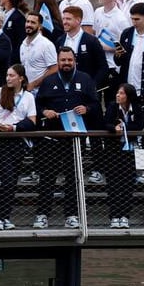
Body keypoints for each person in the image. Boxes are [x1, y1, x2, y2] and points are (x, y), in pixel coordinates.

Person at [33, 47, 100, 229]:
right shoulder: (49, 81)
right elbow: (38, 104)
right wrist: (45, 111)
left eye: (69, 60)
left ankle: (71, 215)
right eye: (63, 60)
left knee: (72, 178)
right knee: (47, 178)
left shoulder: (85, 79)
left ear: (74, 60)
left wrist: (87, 109)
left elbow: (95, 103)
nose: (66, 63)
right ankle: (42, 215)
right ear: (58, 61)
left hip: (74, 139)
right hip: (52, 139)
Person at [0, 65, 37, 230]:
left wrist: (13, 127)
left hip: (17, 140)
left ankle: (5, 216)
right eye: (7, 75)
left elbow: (32, 121)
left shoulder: (28, 97)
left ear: (21, 78)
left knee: (13, 180)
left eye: (12, 75)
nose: (8, 78)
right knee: (7, 178)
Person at [102, 83, 142, 229]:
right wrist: (114, 128)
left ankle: (125, 216)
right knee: (113, 185)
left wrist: (124, 127)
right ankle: (114, 216)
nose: (118, 95)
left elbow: (139, 125)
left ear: (129, 96)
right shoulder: (112, 106)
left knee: (128, 185)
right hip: (114, 151)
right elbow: (105, 123)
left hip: (130, 151)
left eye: (121, 93)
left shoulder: (136, 108)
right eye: (118, 93)